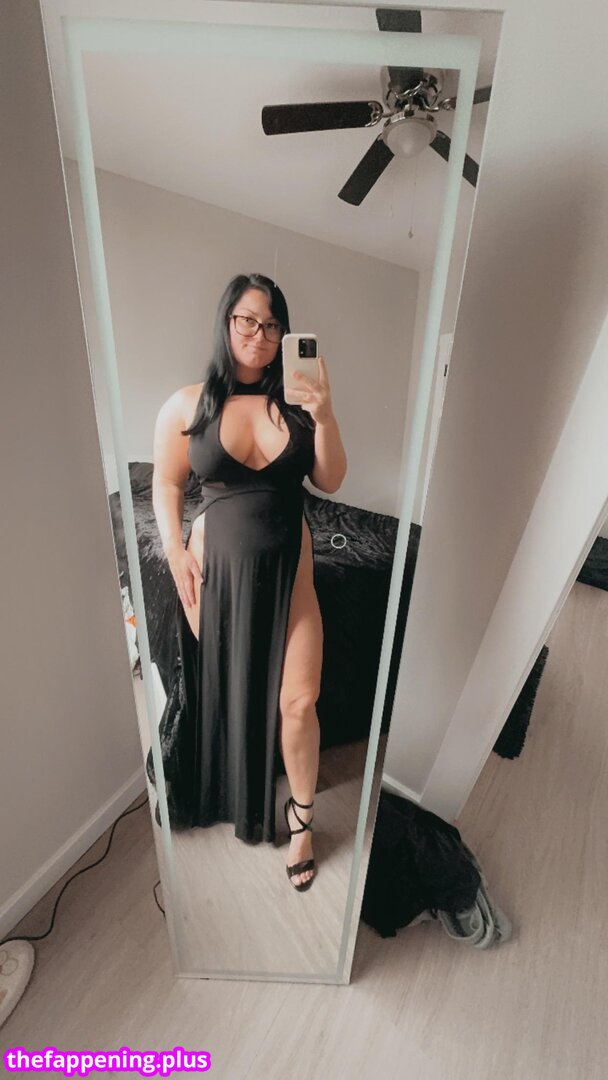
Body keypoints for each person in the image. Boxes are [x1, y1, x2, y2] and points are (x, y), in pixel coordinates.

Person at [152, 273, 347, 891]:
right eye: (247, 320)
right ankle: (234, 789)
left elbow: (331, 480)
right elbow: (166, 482)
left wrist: (325, 414)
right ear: (226, 322)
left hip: (292, 578)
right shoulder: (188, 404)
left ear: (284, 335)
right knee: (233, 690)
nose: (258, 335)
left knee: (298, 701)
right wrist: (174, 548)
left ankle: (303, 821)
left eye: (271, 325)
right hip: (220, 580)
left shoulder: (299, 403)